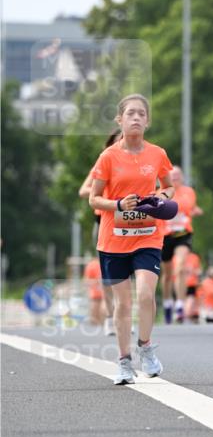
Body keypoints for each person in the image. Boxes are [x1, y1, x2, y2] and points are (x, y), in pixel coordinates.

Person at [89, 93, 174, 385]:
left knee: (146, 295)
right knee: (123, 305)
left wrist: (162, 197)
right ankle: (124, 362)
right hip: (113, 239)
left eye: (141, 114)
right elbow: (93, 199)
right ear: (120, 120)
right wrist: (117, 205)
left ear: (147, 121)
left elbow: (170, 187)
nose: (136, 118)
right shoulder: (108, 157)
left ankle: (146, 346)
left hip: (148, 235)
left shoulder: (157, 154)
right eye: (130, 114)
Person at [79, 130, 122, 335]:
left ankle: (122, 317)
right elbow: (84, 191)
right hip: (104, 219)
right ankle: (110, 317)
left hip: (128, 222)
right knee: (107, 270)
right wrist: (103, 189)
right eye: (117, 141)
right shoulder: (102, 164)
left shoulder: (138, 164)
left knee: (126, 272)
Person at [161, 166, 203, 324]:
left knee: (180, 267)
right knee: (167, 275)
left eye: (178, 175)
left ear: (183, 178)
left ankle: (180, 304)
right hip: (166, 235)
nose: (175, 177)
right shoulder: (162, 191)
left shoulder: (188, 192)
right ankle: (167, 303)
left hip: (183, 234)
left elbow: (188, 206)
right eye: (172, 175)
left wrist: (193, 211)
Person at [83, 254, 105, 326]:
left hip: (96, 287)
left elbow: (87, 280)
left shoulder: (91, 264)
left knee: (96, 303)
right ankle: (99, 321)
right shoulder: (102, 263)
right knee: (99, 303)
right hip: (100, 287)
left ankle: (95, 320)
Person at [184, 251, 203, 321]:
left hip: (180, 283)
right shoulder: (194, 257)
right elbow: (198, 271)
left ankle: (184, 314)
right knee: (190, 298)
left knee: (183, 299)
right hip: (191, 282)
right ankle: (187, 315)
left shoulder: (177, 256)